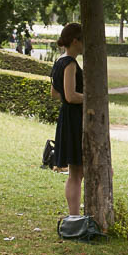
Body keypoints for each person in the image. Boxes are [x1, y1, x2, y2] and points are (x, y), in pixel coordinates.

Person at [50, 23, 85, 217]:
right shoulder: (70, 63)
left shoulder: (59, 61)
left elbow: (55, 93)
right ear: (75, 41)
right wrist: (92, 97)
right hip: (74, 118)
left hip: (67, 117)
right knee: (78, 171)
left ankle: (74, 215)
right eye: (83, 41)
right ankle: (76, 216)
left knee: (75, 172)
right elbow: (70, 96)